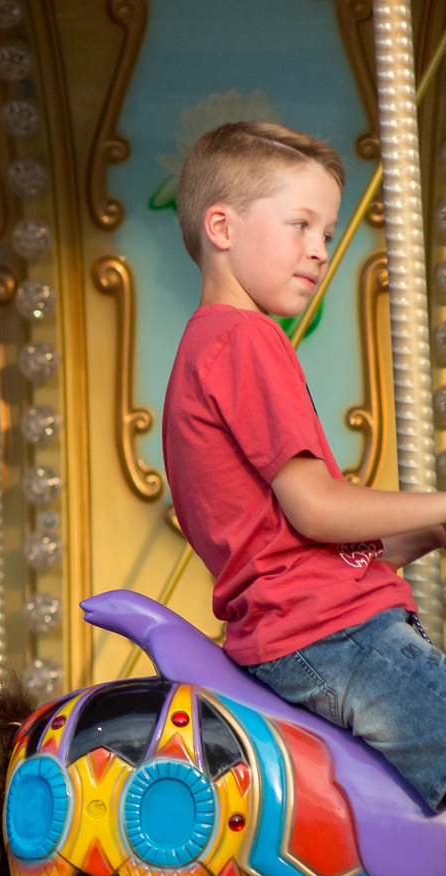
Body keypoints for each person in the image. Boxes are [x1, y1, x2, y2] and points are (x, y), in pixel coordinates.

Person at [163, 120, 446, 809]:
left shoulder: (204, 348)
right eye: (301, 225)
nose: (320, 251)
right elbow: (315, 508)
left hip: (301, 640)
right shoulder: (246, 337)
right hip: (339, 640)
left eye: (326, 233)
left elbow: (293, 550)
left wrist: (426, 531)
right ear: (222, 228)